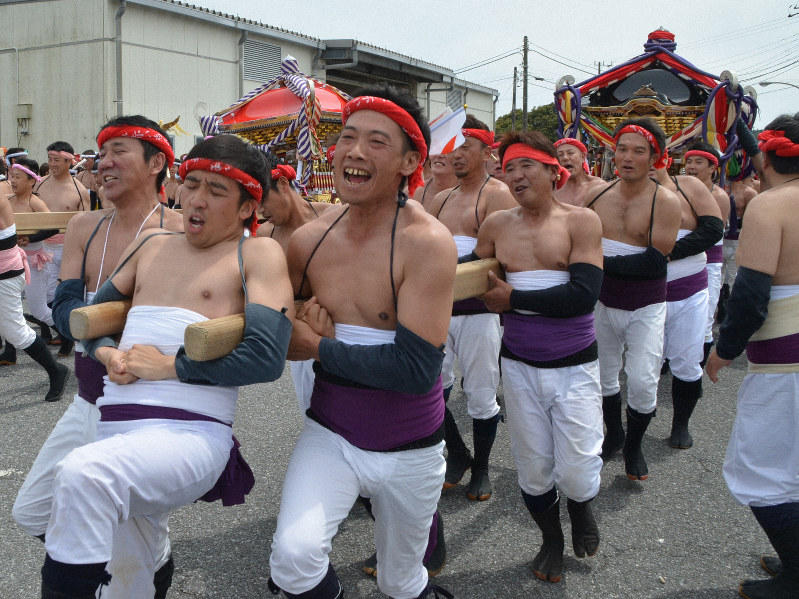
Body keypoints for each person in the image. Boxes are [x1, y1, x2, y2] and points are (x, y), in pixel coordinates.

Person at [38, 133, 294, 599]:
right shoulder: (152, 244)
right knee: (127, 575)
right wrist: (107, 353)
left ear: (245, 207)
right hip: (113, 428)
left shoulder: (256, 253)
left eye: (216, 191)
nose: (196, 199)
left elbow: (266, 356)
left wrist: (169, 367)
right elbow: (90, 319)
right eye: (192, 184)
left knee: (83, 475)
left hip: (189, 434)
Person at [268, 84, 456, 599]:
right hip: (331, 434)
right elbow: (277, 341)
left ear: (409, 160)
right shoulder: (309, 242)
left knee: (401, 582)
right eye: (347, 136)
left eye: (376, 141)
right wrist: (293, 335)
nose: (354, 151)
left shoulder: (427, 244)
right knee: (293, 558)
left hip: (412, 447)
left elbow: (415, 371)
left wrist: (319, 348)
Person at [13, 116, 185, 599]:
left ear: (157, 163)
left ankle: (141, 575)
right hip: (89, 395)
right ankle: (125, 564)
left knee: (138, 551)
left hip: (145, 406)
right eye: (100, 152)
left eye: (119, 152)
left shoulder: (180, 230)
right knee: (32, 509)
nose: (103, 163)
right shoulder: (87, 224)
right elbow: (66, 308)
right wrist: (103, 345)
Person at [471, 130, 604, 583]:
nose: (516, 175)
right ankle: (551, 537)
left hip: (575, 365)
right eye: (508, 168)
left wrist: (515, 302)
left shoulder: (581, 221)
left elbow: (583, 296)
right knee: (533, 467)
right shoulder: (495, 227)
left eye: (526, 164)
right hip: (519, 365)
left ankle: (582, 507)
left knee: (580, 465)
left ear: (553, 169)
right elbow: (474, 288)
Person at [706, 114, 799, 599]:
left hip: (787, 362)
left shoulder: (771, 205)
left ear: (767, 157)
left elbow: (751, 294)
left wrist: (724, 350)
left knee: (760, 471)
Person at [425, 114, 517, 502]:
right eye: (453, 148)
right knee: (428, 387)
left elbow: (505, 255)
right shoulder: (441, 198)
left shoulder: (498, 195)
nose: (457, 155)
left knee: (480, 393)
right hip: (438, 308)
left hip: (478, 311)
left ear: (486, 153)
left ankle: (481, 466)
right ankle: (458, 453)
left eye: (466, 147)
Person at [584, 117, 681, 480]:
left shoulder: (665, 202)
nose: (627, 157)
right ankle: (615, 434)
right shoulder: (594, 195)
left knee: (641, 381)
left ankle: (635, 444)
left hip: (646, 304)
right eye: (621, 148)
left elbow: (654, 261)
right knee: (603, 376)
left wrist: (594, 264)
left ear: (655, 158)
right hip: (602, 302)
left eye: (638, 151)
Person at [650, 150, 724, 448]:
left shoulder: (689, 187)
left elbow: (712, 230)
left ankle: (680, 424)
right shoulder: (617, 192)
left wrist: (666, 253)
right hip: (645, 295)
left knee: (687, 364)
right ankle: (631, 428)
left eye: (646, 152)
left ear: (664, 158)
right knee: (643, 370)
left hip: (690, 293)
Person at [0, 178, 69, 401]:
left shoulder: (10, 200)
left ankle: (57, 371)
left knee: (19, 331)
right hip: (10, 269)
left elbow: (51, 225)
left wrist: (29, 237)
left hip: (6, 275)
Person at [1, 157, 58, 365]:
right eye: (11, 176)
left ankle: (70, 335)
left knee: (39, 309)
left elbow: (53, 225)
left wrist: (30, 238)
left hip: (34, 261)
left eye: (18, 177)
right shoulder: (7, 199)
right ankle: (10, 352)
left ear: (32, 180)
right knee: (10, 309)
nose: (13, 181)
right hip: (13, 260)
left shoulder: (35, 202)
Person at [35, 141, 91, 356]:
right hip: (41, 247)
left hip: (68, 251)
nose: (51, 164)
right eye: (49, 159)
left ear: (69, 161)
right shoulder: (40, 184)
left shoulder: (80, 189)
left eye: (56, 160)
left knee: (65, 295)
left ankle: (69, 336)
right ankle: (65, 332)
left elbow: (85, 226)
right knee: (46, 298)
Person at [682, 142, 731, 362]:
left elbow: (709, 234)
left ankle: (696, 366)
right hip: (681, 259)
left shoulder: (718, 196)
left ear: (713, 168)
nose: (691, 167)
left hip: (708, 262)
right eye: (689, 161)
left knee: (705, 316)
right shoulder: (677, 190)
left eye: (698, 162)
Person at [554, 138, 604, 206]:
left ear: (582, 157)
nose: (565, 158)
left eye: (570, 153)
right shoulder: (553, 193)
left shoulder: (598, 186)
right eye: (560, 155)